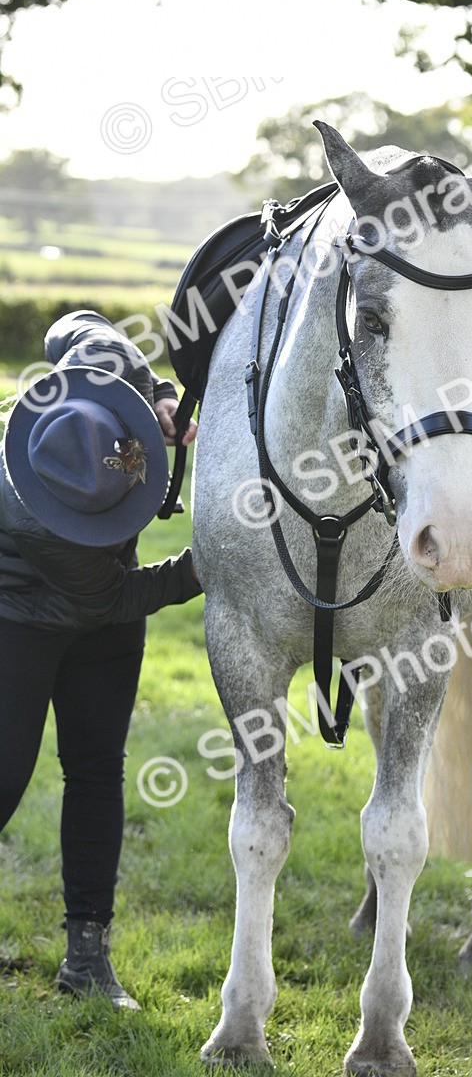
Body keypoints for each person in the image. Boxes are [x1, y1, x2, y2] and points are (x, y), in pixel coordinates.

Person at [0, 310, 202, 1010]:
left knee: (96, 774)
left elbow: (79, 323)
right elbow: (116, 596)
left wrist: (161, 398)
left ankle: (87, 957)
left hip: (103, 620)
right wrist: (205, 564)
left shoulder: (101, 368)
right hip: (19, 622)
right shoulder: (33, 518)